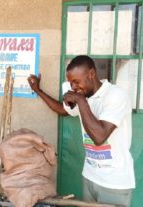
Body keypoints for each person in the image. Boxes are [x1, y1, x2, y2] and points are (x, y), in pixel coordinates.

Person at [27, 55, 135, 206]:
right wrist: (38, 90)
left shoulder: (116, 96)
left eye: (76, 82)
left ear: (91, 74)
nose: (73, 87)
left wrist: (81, 101)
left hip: (114, 182)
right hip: (90, 176)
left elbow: (99, 137)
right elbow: (62, 110)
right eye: (71, 83)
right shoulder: (84, 95)